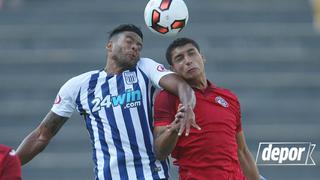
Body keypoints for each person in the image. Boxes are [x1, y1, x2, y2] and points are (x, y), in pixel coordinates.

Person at [16, 24, 200, 180]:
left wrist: (188, 106)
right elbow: (42, 135)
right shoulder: (79, 85)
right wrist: (11, 164)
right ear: (110, 46)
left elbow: (181, 86)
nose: (135, 47)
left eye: (139, 45)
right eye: (129, 41)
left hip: (152, 174)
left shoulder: (144, 67)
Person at [153, 38, 261, 180]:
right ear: (172, 69)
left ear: (202, 57)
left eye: (191, 54)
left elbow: (242, 151)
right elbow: (159, 152)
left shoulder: (229, 97)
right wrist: (174, 128)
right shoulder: (168, 97)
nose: (188, 61)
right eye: (179, 58)